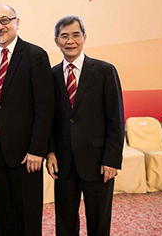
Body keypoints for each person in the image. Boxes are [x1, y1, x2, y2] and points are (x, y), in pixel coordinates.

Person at [0, 4, 55, 235]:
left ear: (16, 22)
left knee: (27, 212)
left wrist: (37, 149)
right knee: (0, 211)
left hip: (25, 153)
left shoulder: (35, 55)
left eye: (5, 20)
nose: (0, 26)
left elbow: (45, 106)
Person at [46, 15, 124, 236]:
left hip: (98, 161)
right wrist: (50, 151)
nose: (70, 41)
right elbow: (48, 119)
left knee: (99, 220)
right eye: (64, 36)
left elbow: (115, 119)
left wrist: (111, 160)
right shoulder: (50, 75)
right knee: (65, 220)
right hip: (63, 161)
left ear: (84, 37)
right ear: (56, 41)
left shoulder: (104, 71)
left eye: (75, 35)